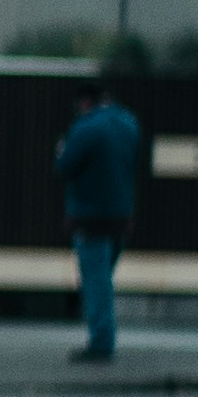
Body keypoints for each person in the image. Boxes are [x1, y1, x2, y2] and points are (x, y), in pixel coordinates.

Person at [57, 81, 148, 364]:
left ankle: (101, 343)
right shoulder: (128, 122)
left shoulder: (87, 127)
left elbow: (64, 165)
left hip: (89, 216)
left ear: (85, 102)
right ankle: (101, 337)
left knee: (96, 283)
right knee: (103, 279)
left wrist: (61, 149)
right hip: (121, 216)